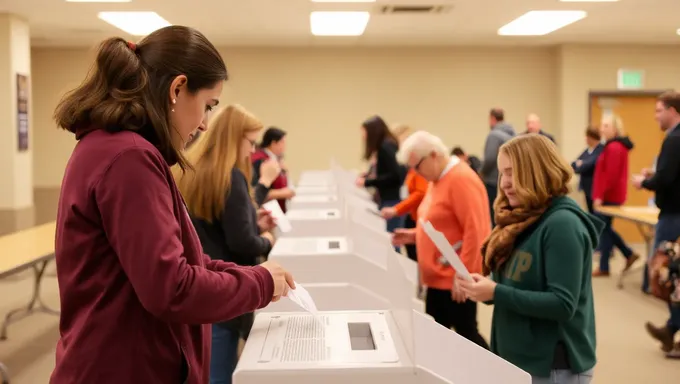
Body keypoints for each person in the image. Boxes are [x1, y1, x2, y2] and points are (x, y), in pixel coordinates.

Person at [49, 26, 295, 384]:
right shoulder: (129, 157)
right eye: (207, 106)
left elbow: (182, 258)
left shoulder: (115, 148)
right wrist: (257, 285)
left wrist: (248, 276)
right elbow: (172, 288)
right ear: (177, 89)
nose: (205, 125)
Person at [458, 134, 602, 384]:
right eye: (503, 174)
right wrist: (487, 288)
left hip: (551, 366)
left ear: (538, 172)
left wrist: (497, 293)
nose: (505, 183)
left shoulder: (562, 224)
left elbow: (562, 304)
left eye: (513, 173)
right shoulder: (520, 219)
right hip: (518, 358)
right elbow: (518, 284)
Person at [173, 105, 279, 383]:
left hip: (201, 282)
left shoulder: (194, 169)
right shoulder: (231, 176)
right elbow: (241, 242)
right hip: (225, 285)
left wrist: (252, 223)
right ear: (235, 138)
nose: (252, 151)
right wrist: (266, 240)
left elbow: (213, 226)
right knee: (220, 372)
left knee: (206, 368)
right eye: (250, 142)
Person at [391, 131, 490, 349]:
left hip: (454, 281)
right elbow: (441, 226)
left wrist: (464, 274)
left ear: (434, 154)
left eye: (418, 166)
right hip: (438, 279)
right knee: (439, 341)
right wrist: (413, 236)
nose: (416, 173)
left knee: (467, 336)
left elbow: (477, 231)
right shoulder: (438, 179)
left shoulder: (461, 179)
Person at [631, 91, 680, 357]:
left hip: (673, 217)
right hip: (674, 214)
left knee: (665, 275)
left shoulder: (674, 139)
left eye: (659, 110)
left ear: (673, 110)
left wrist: (644, 182)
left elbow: (666, 180)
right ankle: (671, 329)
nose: (655, 116)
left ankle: (673, 327)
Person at [591, 114, 639, 277]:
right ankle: (621, 257)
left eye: (606, 126)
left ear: (615, 128)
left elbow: (610, 176)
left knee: (603, 228)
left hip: (608, 196)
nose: (601, 129)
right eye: (602, 125)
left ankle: (617, 258)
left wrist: (600, 196)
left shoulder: (614, 147)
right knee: (605, 229)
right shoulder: (612, 146)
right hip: (609, 195)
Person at [380, 124, 428, 262]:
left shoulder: (418, 168)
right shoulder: (412, 168)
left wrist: (396, 209)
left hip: (417, 218)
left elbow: (419, 193)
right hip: (413, 216)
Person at [355, 115, 405, 246]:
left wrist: (368, 182)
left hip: (391, 200)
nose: (363, 137)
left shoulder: (385, 147)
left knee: (391, 244)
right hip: (389, 199)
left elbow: (394, 176)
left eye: (364, 133)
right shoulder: (387, 145)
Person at [480, 108, 516, 226]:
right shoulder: (513, 134)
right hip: (512, 181)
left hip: (493, 182)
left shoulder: (493, 135)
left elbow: (490, 158)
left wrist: (481, 172)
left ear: (492, 119)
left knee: (495, 216)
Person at [251, 127, 294, 211]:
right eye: (282, 142)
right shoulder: (260, 161)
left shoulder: (275, 159)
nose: (285, 146)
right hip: (265, 210)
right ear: (274, 143)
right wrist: (283, 193)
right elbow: (256, 191)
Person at [571, 125, 604, 214]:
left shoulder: (601, 149)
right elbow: (574, 164)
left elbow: (591, 165)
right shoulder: (587, 151)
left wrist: (582, 163)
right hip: (586, 187)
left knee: (597, 214)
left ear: (592, 137)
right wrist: (581, 164)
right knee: (589, 212)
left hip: (594, 187)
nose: (585, 139)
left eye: (587, 136)